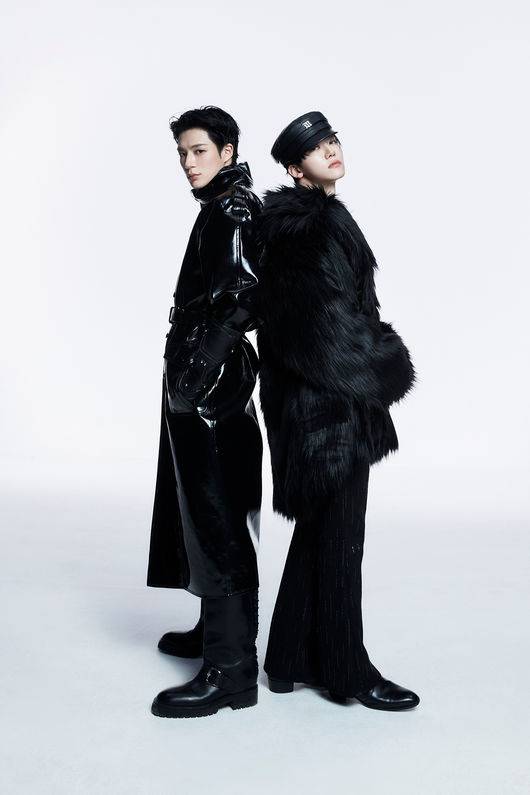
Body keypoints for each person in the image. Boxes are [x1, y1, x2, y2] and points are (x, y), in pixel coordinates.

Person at [256, 111, 420, 710]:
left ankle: (286, 658)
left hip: (327, 403)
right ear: (295, 169)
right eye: (313, 148)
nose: (329, 150)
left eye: (331, 139)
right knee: (343, 537)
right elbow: (322, 329)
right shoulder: (304, 229)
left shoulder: (321, 218)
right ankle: (349, 671)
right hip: (324, 408)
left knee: (323, 530)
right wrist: (385, 364)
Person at [146, 106, 263, 718]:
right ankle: (214, 630)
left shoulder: (233, 208)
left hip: (211, 379)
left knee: (218, 514)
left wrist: (197, 370)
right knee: (203, 508)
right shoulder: (218, 205)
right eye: (182, 154)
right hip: (204, 374)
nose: (189, 163)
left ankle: (231, 669)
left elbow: (243, 294)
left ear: (227, 150)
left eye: (198, 151)